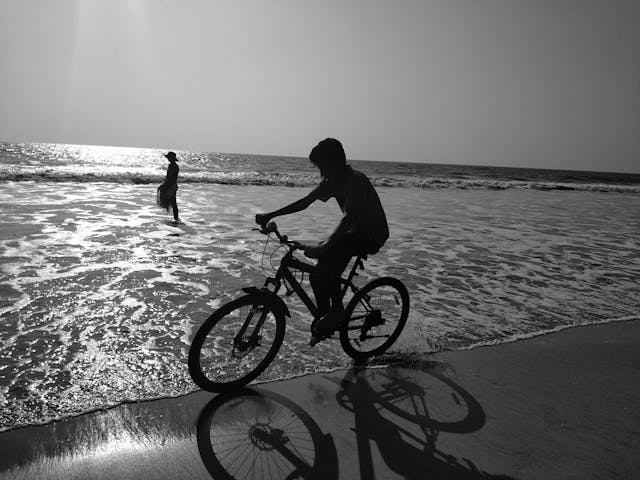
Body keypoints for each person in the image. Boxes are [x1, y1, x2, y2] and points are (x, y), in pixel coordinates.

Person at [256, 138, 389, 344]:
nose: (321, 173)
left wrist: (326, 245)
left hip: (371, 235)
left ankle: (336, 312)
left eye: (323, 167)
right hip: (352, 233)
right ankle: (326, 317)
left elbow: (350, 218)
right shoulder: (332, 182)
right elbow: (305, 203)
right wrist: (270, 215)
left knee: (331, 255)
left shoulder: (356, 180)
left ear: (336, 162)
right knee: (318, 275)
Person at [156, 151, 180, 222]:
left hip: (171, 185)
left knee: (173, 202)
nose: (168, 159)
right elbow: (169, 177)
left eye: (169, 158)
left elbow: (170, 178)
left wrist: (165, 185)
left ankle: (176, 218)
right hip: (172, 185)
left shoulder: (173, 166)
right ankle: (176, 218)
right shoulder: (173, 166)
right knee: (173, 202)